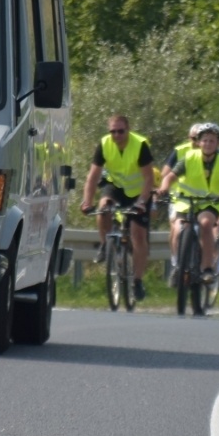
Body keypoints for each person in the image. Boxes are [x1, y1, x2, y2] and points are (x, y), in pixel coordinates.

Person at [81, 114, 154, 301]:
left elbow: (149, 179)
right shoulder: (105, 144)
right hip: (116, 186)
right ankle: (106, 245)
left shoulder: (140, 145)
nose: (116, 135)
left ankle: (137, 281)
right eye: (112, 131)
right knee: (103, 207)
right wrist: (86, 201)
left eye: (120, 131)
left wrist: (141, 202)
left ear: (128, 130)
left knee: (138, 234)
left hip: (139, 192)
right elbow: (93, 176)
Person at [160, 125, 219, 285]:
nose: (208, 144)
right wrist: (164, 188)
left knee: (206, 223)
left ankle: (207, 268)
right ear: (199, 142)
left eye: (212, 141)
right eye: (205, 140)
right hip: (186, 201)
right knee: (178, 229)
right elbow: (170, 176)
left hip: (211, 203)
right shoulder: (189, 157)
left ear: (218, 143)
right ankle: (178, 266)